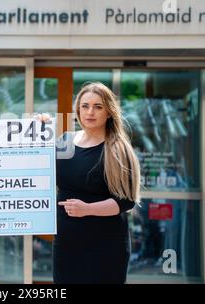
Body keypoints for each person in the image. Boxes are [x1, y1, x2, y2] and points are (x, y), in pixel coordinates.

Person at [53, 82, 141, 284]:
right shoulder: (64, 142)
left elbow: (126, 201)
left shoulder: (118, 149)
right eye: (85, 106)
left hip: (106, 245)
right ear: (78, 110)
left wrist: (88, 209)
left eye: (98, 106)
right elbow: (28, 161)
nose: (90, 112)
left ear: (109, 112)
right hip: (66, 243)